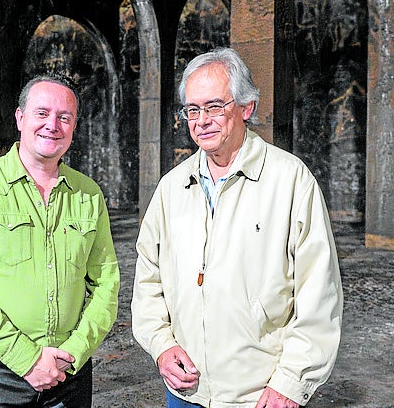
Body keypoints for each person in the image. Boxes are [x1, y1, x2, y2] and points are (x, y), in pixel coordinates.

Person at [131, 47, 343, 408]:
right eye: (193, 110)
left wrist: (291, 383)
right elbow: (148, 280)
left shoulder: (290, 180)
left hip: (260, 395)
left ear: (246, 108)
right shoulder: (172, 187)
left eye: (214, 106)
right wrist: (162, 346)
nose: (202, 120)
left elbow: (319, 294)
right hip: (185, 389)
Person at [0, 74, 120, 408]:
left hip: (68, 375)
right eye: (42, 113)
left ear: (73, 126)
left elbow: (106, 284)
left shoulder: (88, 194)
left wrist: (75, 351)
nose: (53, 125)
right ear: (20, 118)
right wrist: (25, 358)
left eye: (64, 118)